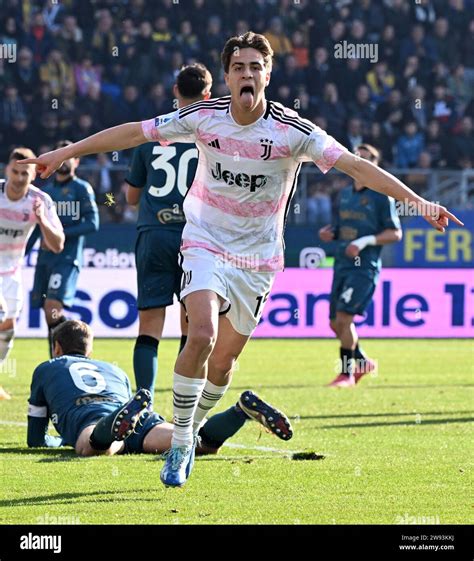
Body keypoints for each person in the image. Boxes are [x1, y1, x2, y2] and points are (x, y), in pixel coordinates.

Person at [20, 31, 462, 487]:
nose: (247, 74)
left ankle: (193, 426)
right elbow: (135, 131)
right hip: (204, 240)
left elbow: (355, 165)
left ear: (267, 74)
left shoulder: (294, 131)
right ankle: (180, 442)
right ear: (227, 76)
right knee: (202, 334)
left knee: (224, 364)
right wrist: (66, 151)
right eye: (238, 67)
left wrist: (419, 201)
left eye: (255, 67)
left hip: (259, 258)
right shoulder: (203, 116)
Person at [27, 320, 292, 464]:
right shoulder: (113, 370)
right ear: (89, 351)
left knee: (91, 448)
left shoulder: (46, 368)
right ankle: (239, 412)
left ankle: (111, 430)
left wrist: (59, 440)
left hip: (92, 418)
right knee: (196, 443)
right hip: (141, 422)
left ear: (57, 348)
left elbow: (35, 438)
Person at [124, 64, 212, 400]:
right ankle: (183, 404)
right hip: (196, 240)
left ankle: (142, 400)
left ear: (175, 90)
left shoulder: (151, 133)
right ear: (208, 94)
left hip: (155, 233)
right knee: (193, 329)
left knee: (149, 327)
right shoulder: (210, 134)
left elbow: (131, 197)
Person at [319, 144, 403, 388]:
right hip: (341, 264)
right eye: (358, 158)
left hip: (363, 268)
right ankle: (363, 362)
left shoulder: (381, 196)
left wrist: (364, 241)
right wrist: (332, 233)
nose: (361, 163)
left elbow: (395, 233)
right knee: (335, 323)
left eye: (367, 159)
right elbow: (343, 227)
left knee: (344, 319)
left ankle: (346, 375)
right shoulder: (345, 194)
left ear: (375, 165)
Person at [0, 148, 64, 400]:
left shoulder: (39, 201)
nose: (18, 178)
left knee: (7, 328)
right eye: (14, 171)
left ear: (34, 175)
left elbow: (58, 244)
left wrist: (42, 220)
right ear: (6, 169)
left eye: (24, 173)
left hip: (12, 273)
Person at [26, 140, 99, 357]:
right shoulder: (45, 192)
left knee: (52, 307)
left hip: (67, 258)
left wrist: (62, 233)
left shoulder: (82, 188)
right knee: (48, 313)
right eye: (61, 156)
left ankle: (77, 344)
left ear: (76, 161)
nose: (65, 162)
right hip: (45, 258)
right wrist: (23, 251)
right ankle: (59, 358)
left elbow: (93, 223)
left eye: (69, 157)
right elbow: (37, 228)